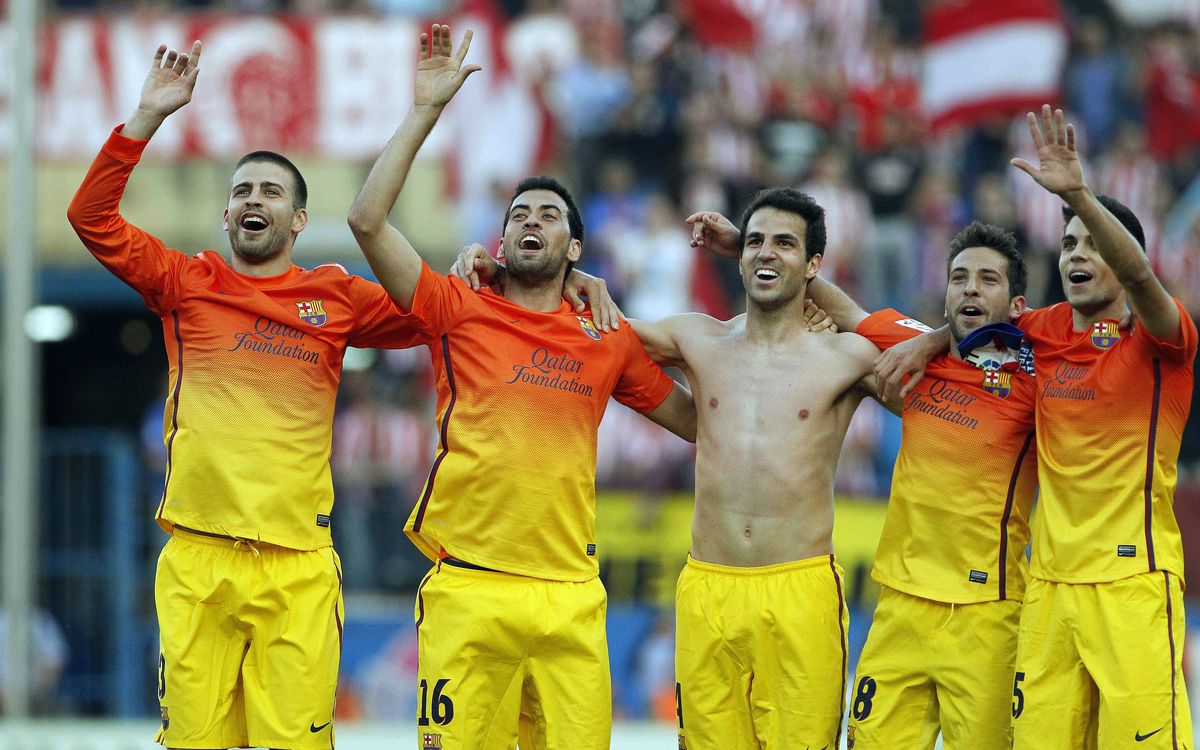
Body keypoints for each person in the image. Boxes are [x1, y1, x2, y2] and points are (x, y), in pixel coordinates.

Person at [66, 42, 428, 749]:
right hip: (198, 560)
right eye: (241, 192)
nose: (251, 200)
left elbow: (438, 314)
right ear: (228, 217)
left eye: (269, 192)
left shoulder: (336, 297)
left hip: (297, 567)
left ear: (297, 221)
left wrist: (500, 271)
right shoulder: (184, 281)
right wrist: (145, 117)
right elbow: (92, 219)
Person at [345, 25, 696, 749]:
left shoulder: (609, 336)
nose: (531, 220)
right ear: (500, 243)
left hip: (570, 597)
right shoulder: (457, 306)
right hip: (469, 588)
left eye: (549, 216)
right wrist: (426, 111)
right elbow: (365, 220)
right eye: (518, 215)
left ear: (575, 248)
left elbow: (699, 424)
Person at [456, 186, 880, 749]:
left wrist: (826, 300)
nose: (765, 254)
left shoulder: (846, 354)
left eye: (784, 244)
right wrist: (563, 278)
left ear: (814, 264)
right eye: (754, 243)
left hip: (800, 589)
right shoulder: (698, 338)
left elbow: (919, 357)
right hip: (707, 587)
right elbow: (584, 330)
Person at [877, 106, 1196, 748]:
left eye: (1094, 243)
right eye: (1070, 242)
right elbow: (975, 319)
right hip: (1048, 593)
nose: (1077, 253)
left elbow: (1141, 278)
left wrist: (1077, 192)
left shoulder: (1161, 340)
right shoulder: (1043, 333)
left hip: (1132, 586)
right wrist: (932, 340)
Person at [788, 221, 1039, 749]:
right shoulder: (911, 348)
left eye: (987, 279)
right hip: (899, 607)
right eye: (959, 277)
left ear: (1017, 303)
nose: (970, 287)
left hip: (987, 615)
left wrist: (939, 337)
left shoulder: (1036, 380)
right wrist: (740, 244)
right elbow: (844, 311)